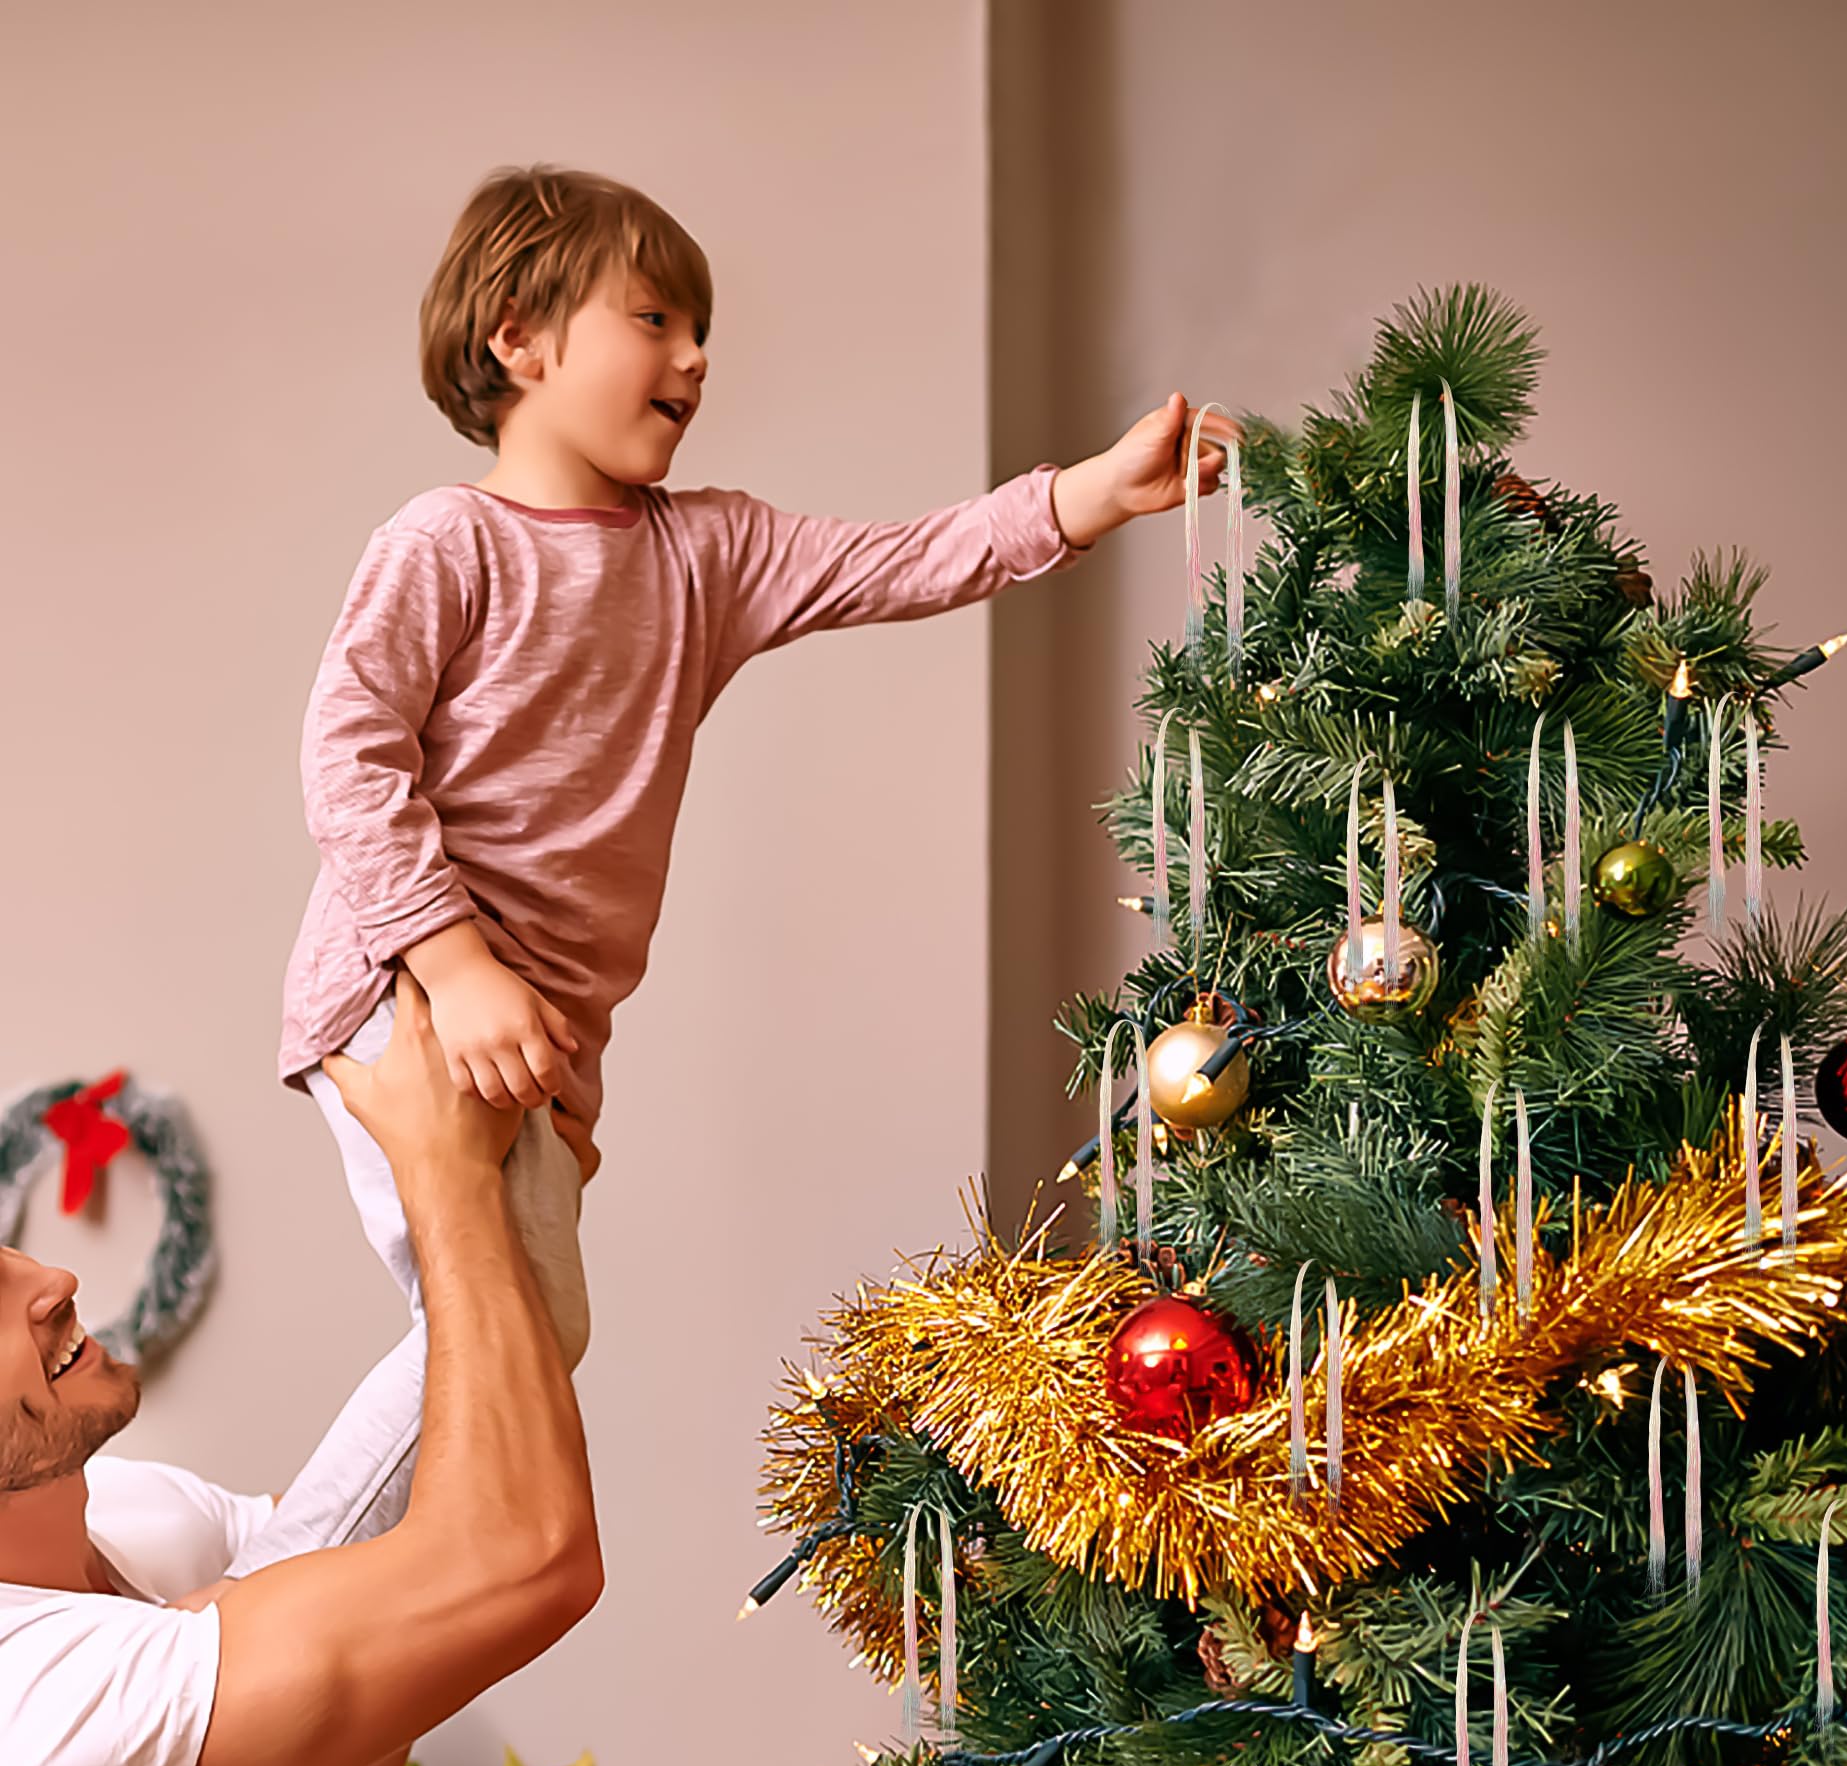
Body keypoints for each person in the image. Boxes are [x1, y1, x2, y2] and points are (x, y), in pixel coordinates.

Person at [240, 161, 1243, 1587]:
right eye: (654, 319)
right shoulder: (446, 543)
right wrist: (451, 966)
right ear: (520, 339)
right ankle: (263, 1612)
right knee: (506, 1330)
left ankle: (328, 1640)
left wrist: (1094, 494)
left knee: (515, 1353)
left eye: (700, 330)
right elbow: (348, 753)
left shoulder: (702, 554)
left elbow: (908, 559)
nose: (696, 356)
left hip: (543, 1047)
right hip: (405, 999)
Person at [0, 975, 604, 1766]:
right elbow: (519, 1553)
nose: (52, 1279)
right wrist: (446, 1182)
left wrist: (513, 1190)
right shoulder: (20, 1705)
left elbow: (413, 1515)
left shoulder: (150, 1520)